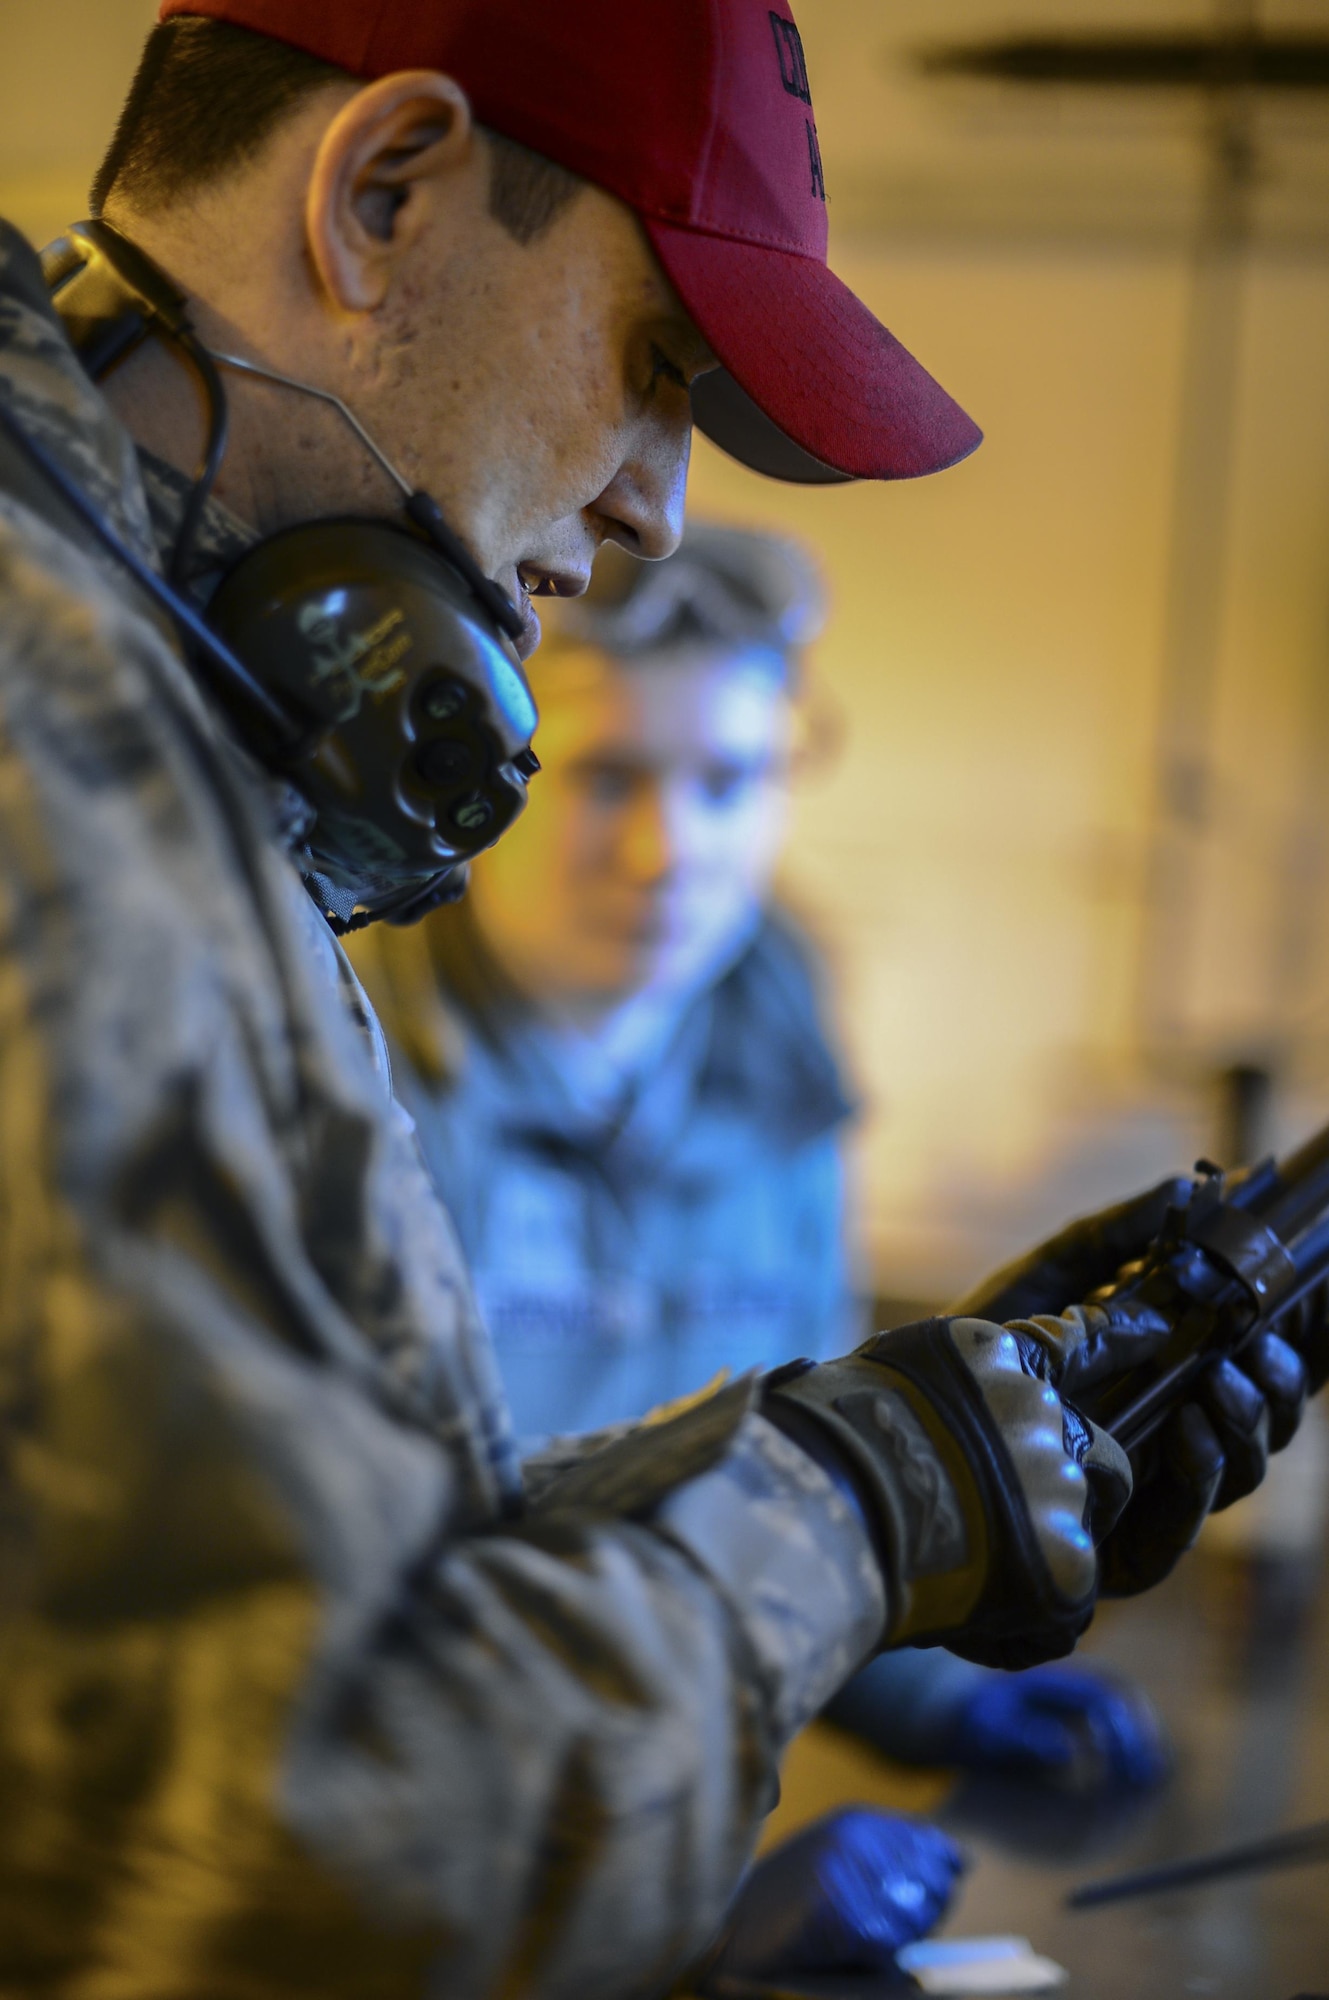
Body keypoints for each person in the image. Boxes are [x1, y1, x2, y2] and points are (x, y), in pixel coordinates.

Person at [0, 3, 1318, 1995]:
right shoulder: (55, 752)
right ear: (379, 196)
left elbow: (304, 1591)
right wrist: (863, 1499)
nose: (657, 505)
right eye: (653, 367)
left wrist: (915, 1419)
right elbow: (313, 1875)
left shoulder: (182, 744)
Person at [351, 522, 1172, 1796]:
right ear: (486, 777)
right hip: (424, 1795)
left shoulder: (782, 1059)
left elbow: (783, 1476)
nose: (669, 851)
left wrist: (927, 1688)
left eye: (730, 780)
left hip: (677, 1772)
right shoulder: (345, 1066)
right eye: (610, 776)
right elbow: (336, 1590)